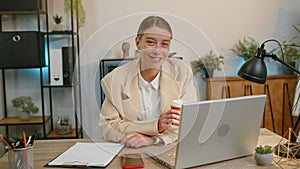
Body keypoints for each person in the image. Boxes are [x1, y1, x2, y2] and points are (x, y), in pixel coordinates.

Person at [99, 15, 197, 148]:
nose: (157, 51)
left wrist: (153, 140)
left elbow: (189, 121)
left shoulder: (182, 72)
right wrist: (155, 126)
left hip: (170, 148)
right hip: (129, 150)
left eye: (164, 44)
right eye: (150, 42)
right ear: (138, 43)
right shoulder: (114, 80)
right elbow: (108, 127)